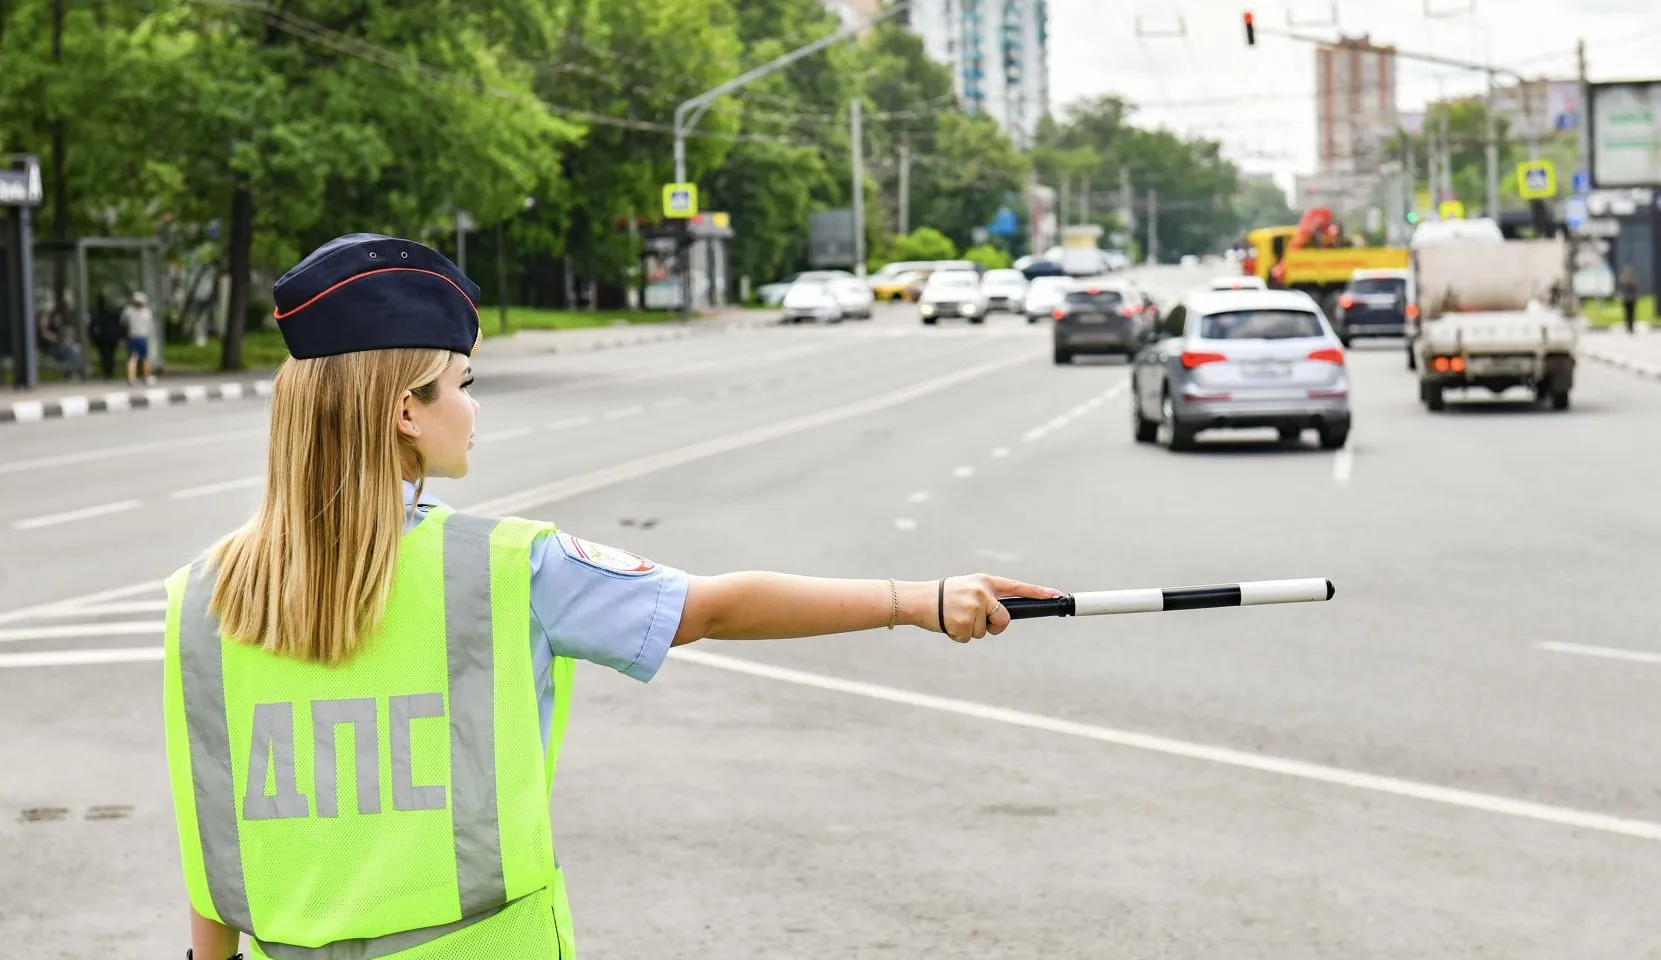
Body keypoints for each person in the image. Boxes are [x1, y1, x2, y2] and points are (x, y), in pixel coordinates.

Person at [163, 233, 1059, 960]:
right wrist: (915, 597)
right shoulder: (508, 568)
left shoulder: (200, 599)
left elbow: (214, 845)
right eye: (463, 386)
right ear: (407, 411)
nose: (473, 410)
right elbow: (709, 608)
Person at [122, 290, 155, 385]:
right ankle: (147, 377)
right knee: (145, 358)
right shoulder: (147, 312)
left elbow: (123, 323)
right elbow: (150, 326)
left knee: (132, 358)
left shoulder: (128, 311)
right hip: (143, 337)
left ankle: (131, 378)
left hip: (132, 337)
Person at [1618, 264, 1640, 334]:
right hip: (1627, 299)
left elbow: (1635, 289)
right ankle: (1628, 327)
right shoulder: (1624, 279)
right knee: (1627, 314)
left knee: (1632, 314)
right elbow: (1621, 289)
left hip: (1632, 299)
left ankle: (1631, 327)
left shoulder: (1633, 279)